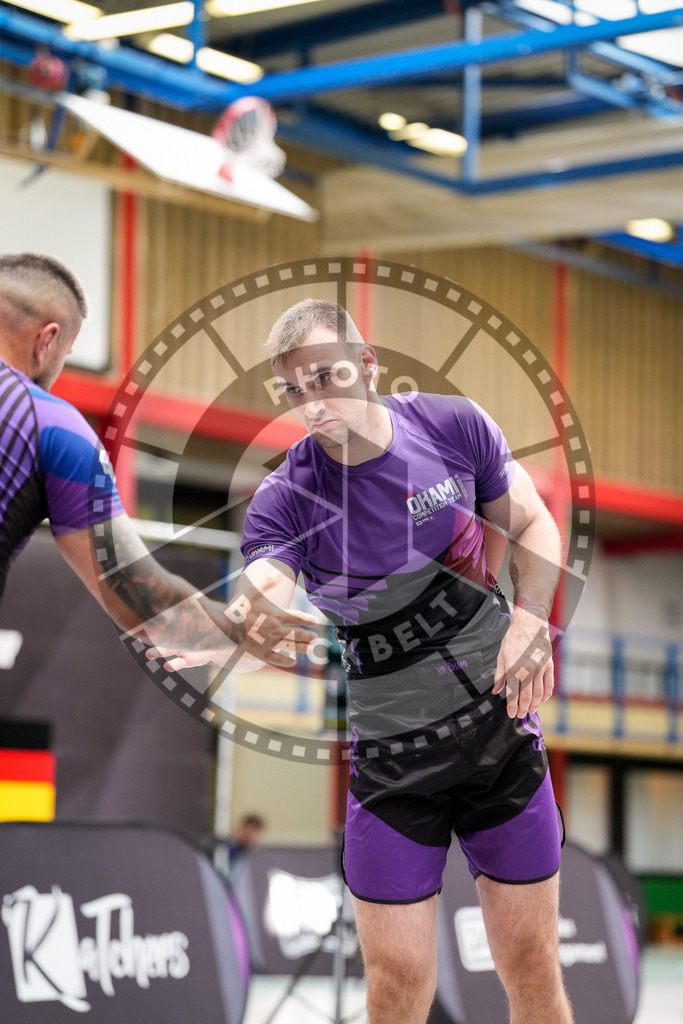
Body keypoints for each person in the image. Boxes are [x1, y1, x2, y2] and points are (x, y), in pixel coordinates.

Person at [151, 298, 572, 1024]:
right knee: (397, 982)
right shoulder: (286, 498)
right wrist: (240, 623)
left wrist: (530, 619)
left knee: (530, 965)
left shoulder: (451, 426)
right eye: (294, 389)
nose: (312, 402)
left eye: (327, 378)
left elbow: (531, 520)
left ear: (368, 365)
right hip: (393, 758)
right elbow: (265, 585)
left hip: (499, 734)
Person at [0, 252, 316, 666]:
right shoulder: (52, 427)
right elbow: (144, 601)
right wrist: (239, 629)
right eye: (66, 353)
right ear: (47, 340)